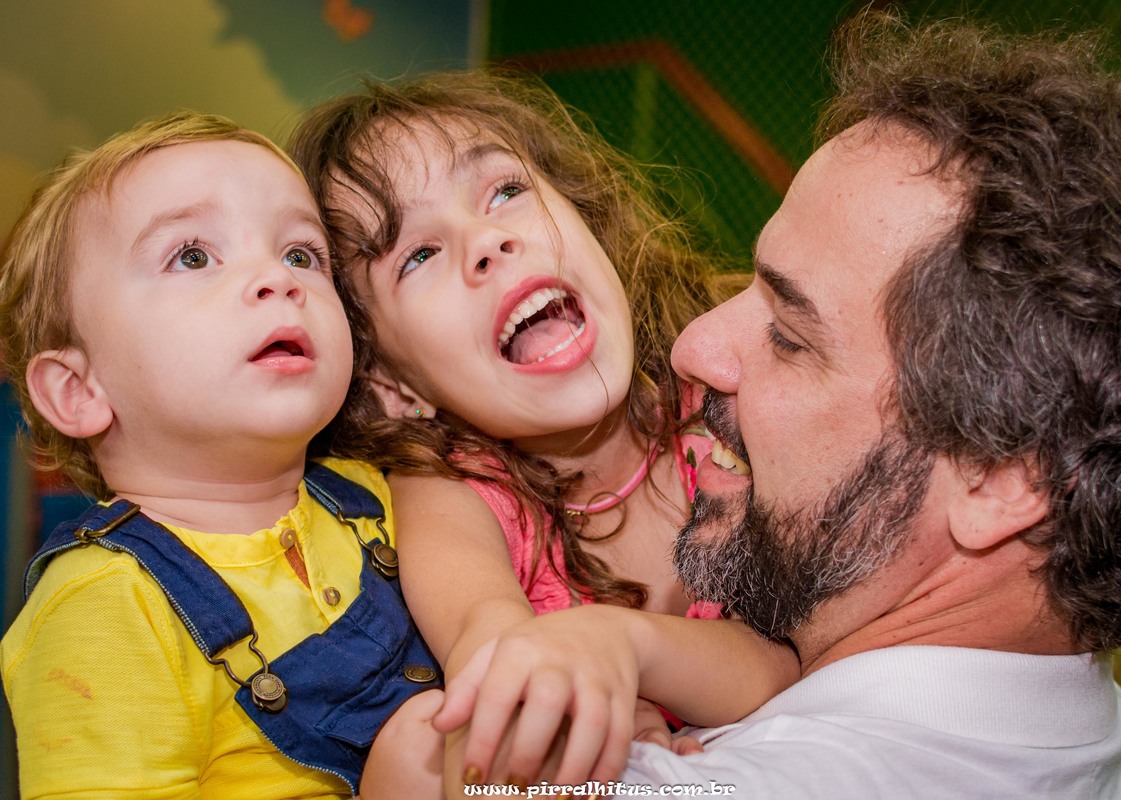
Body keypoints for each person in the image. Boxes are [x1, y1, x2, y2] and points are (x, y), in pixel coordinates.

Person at [438, 12, 1121, 799]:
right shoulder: (1093, 724)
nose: (692, 347)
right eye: (748, 285)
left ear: (1000, 478)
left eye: (791, 336)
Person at [288, 72, 800, 793]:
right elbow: (487, 638)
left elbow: (785, 661)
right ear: (392, 386)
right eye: (419, 255)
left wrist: (622, 653)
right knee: (416, 754)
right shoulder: (453, 490)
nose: (488, 242)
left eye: (504, 192)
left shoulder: (718, 393)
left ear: (586, 218)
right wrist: (572, 707)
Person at [0, 111, 441, 799]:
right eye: (193, 256)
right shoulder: (107, 609)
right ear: (81, 390)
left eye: (301, 253)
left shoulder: (379, 497)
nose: (278, 279)